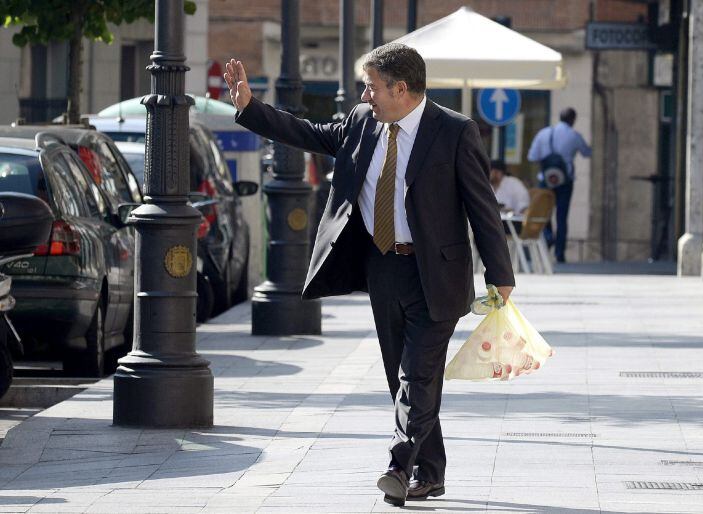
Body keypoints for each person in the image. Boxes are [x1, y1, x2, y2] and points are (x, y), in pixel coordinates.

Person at [225, 43, 514, 507]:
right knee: (403, 376)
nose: (366, 94)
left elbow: (483, 207)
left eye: (372, 86)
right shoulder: (363, 121)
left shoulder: (455, 132)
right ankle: (431, 473)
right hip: (383, 267)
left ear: (401, 88)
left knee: (416, 377)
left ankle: (399, 466)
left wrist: (500, 274)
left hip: (435, 274)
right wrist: (250, 109)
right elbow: (311, 133)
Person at [526, 107, 591, 263]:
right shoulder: (574, 135)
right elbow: (587, 153)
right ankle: (559, 253)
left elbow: (532, 156)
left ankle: (547, 240)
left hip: (545, 180)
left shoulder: (544, 133)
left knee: (543, 213)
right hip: (565, 182)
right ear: (573, 120)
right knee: (562, 217)